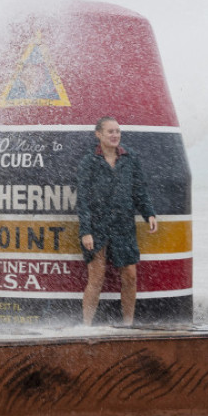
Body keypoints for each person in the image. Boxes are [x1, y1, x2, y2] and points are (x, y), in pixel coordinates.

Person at [76, 116, 158, 326]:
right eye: (110, 131)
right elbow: (83, 199)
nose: (115, 135)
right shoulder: (88, 162)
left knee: (130, 276)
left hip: (124, 226)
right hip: (97, 226)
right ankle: (86, 327)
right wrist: (86, 231)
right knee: (96, 279)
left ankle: (128, 324)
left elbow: (139, 190)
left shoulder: (130, 158)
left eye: (117, 131)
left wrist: (149, 213)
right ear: (99, 134)